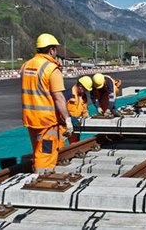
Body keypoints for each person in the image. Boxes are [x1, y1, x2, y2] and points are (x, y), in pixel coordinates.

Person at [21, 33, 72, 174]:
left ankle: (38, 175)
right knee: (46, 155)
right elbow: (59, 98)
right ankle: (42, 181)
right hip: (47, 121)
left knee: (38, 150)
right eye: (55, 49)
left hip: (31, 118)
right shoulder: (51, 69)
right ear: (51, 50)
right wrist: (67, 119)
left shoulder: (26, 66)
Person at [63, 76, 93, 144]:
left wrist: (87, 119)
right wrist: (69, 119)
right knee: (59, 143)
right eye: (85, 90)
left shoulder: (83, 96)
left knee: (74, 143)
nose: (85, 92)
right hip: (64, 123)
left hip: (76, 124)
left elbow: (84, 110)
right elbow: (60, 108)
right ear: (80, 87)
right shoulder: (67, 94)